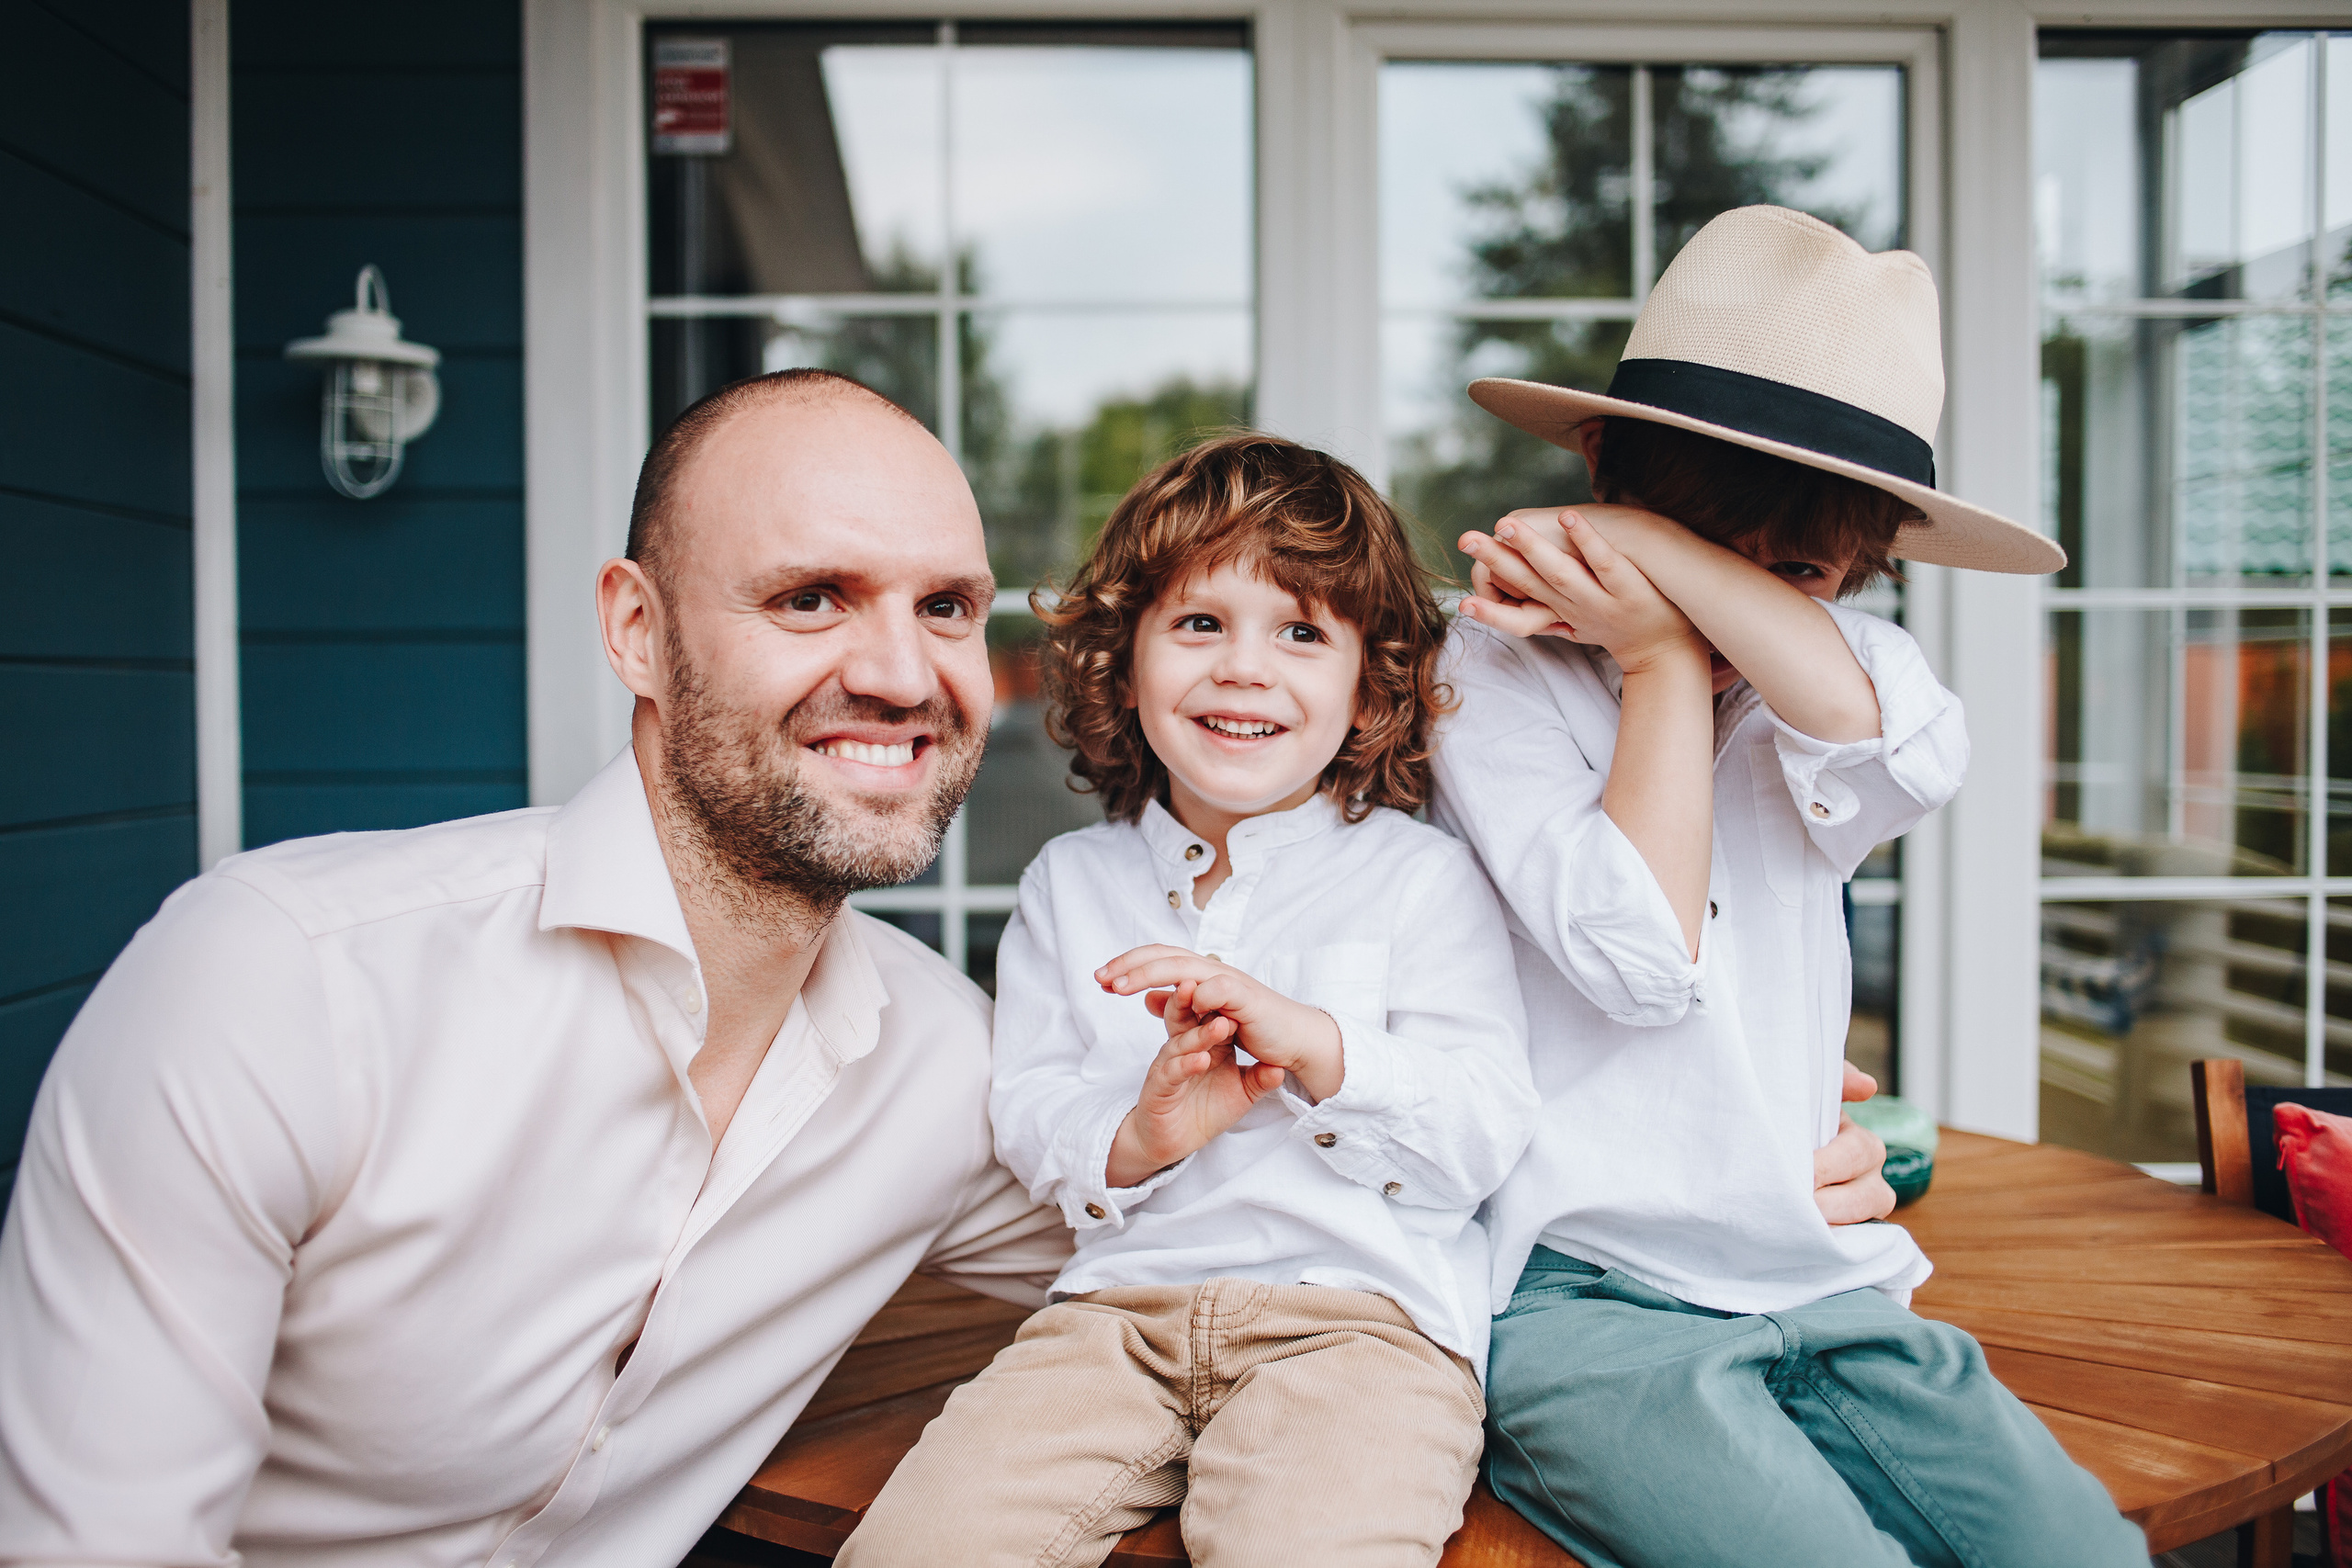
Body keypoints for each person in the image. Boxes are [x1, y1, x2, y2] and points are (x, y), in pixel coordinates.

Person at [0, 370, 1069, 1568]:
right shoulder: (281, 983)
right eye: (811, 598)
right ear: (638, 631)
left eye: (947, 606)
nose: (904, 676)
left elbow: (1200, 1260)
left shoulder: (947, 1067)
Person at [1434, 206, 2147, 1568]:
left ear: (1857, 569)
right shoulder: (1492, 671)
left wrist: (1652, 564)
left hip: (1825, 1274)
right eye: (1703, 538)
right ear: (1601, 463)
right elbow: (1634, 954)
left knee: (2080, 1550)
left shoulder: (1840, 673)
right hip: (1571, 1292)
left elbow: (1918, 754)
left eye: (1794, 573)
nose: (1723, 611)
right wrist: (1653, 661)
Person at [840, 435, 1542, 1568]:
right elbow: (1031, 1105)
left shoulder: (1423, 878)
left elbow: (1481, 1133)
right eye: (1200, 623)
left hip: (1362, 1328)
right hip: (1111, 1318)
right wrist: (1141, 1135)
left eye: (1300, 633)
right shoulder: (1071, 885)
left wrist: (1315, 1046)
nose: (1244, 668)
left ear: (1368, 687)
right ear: (1123, 665)